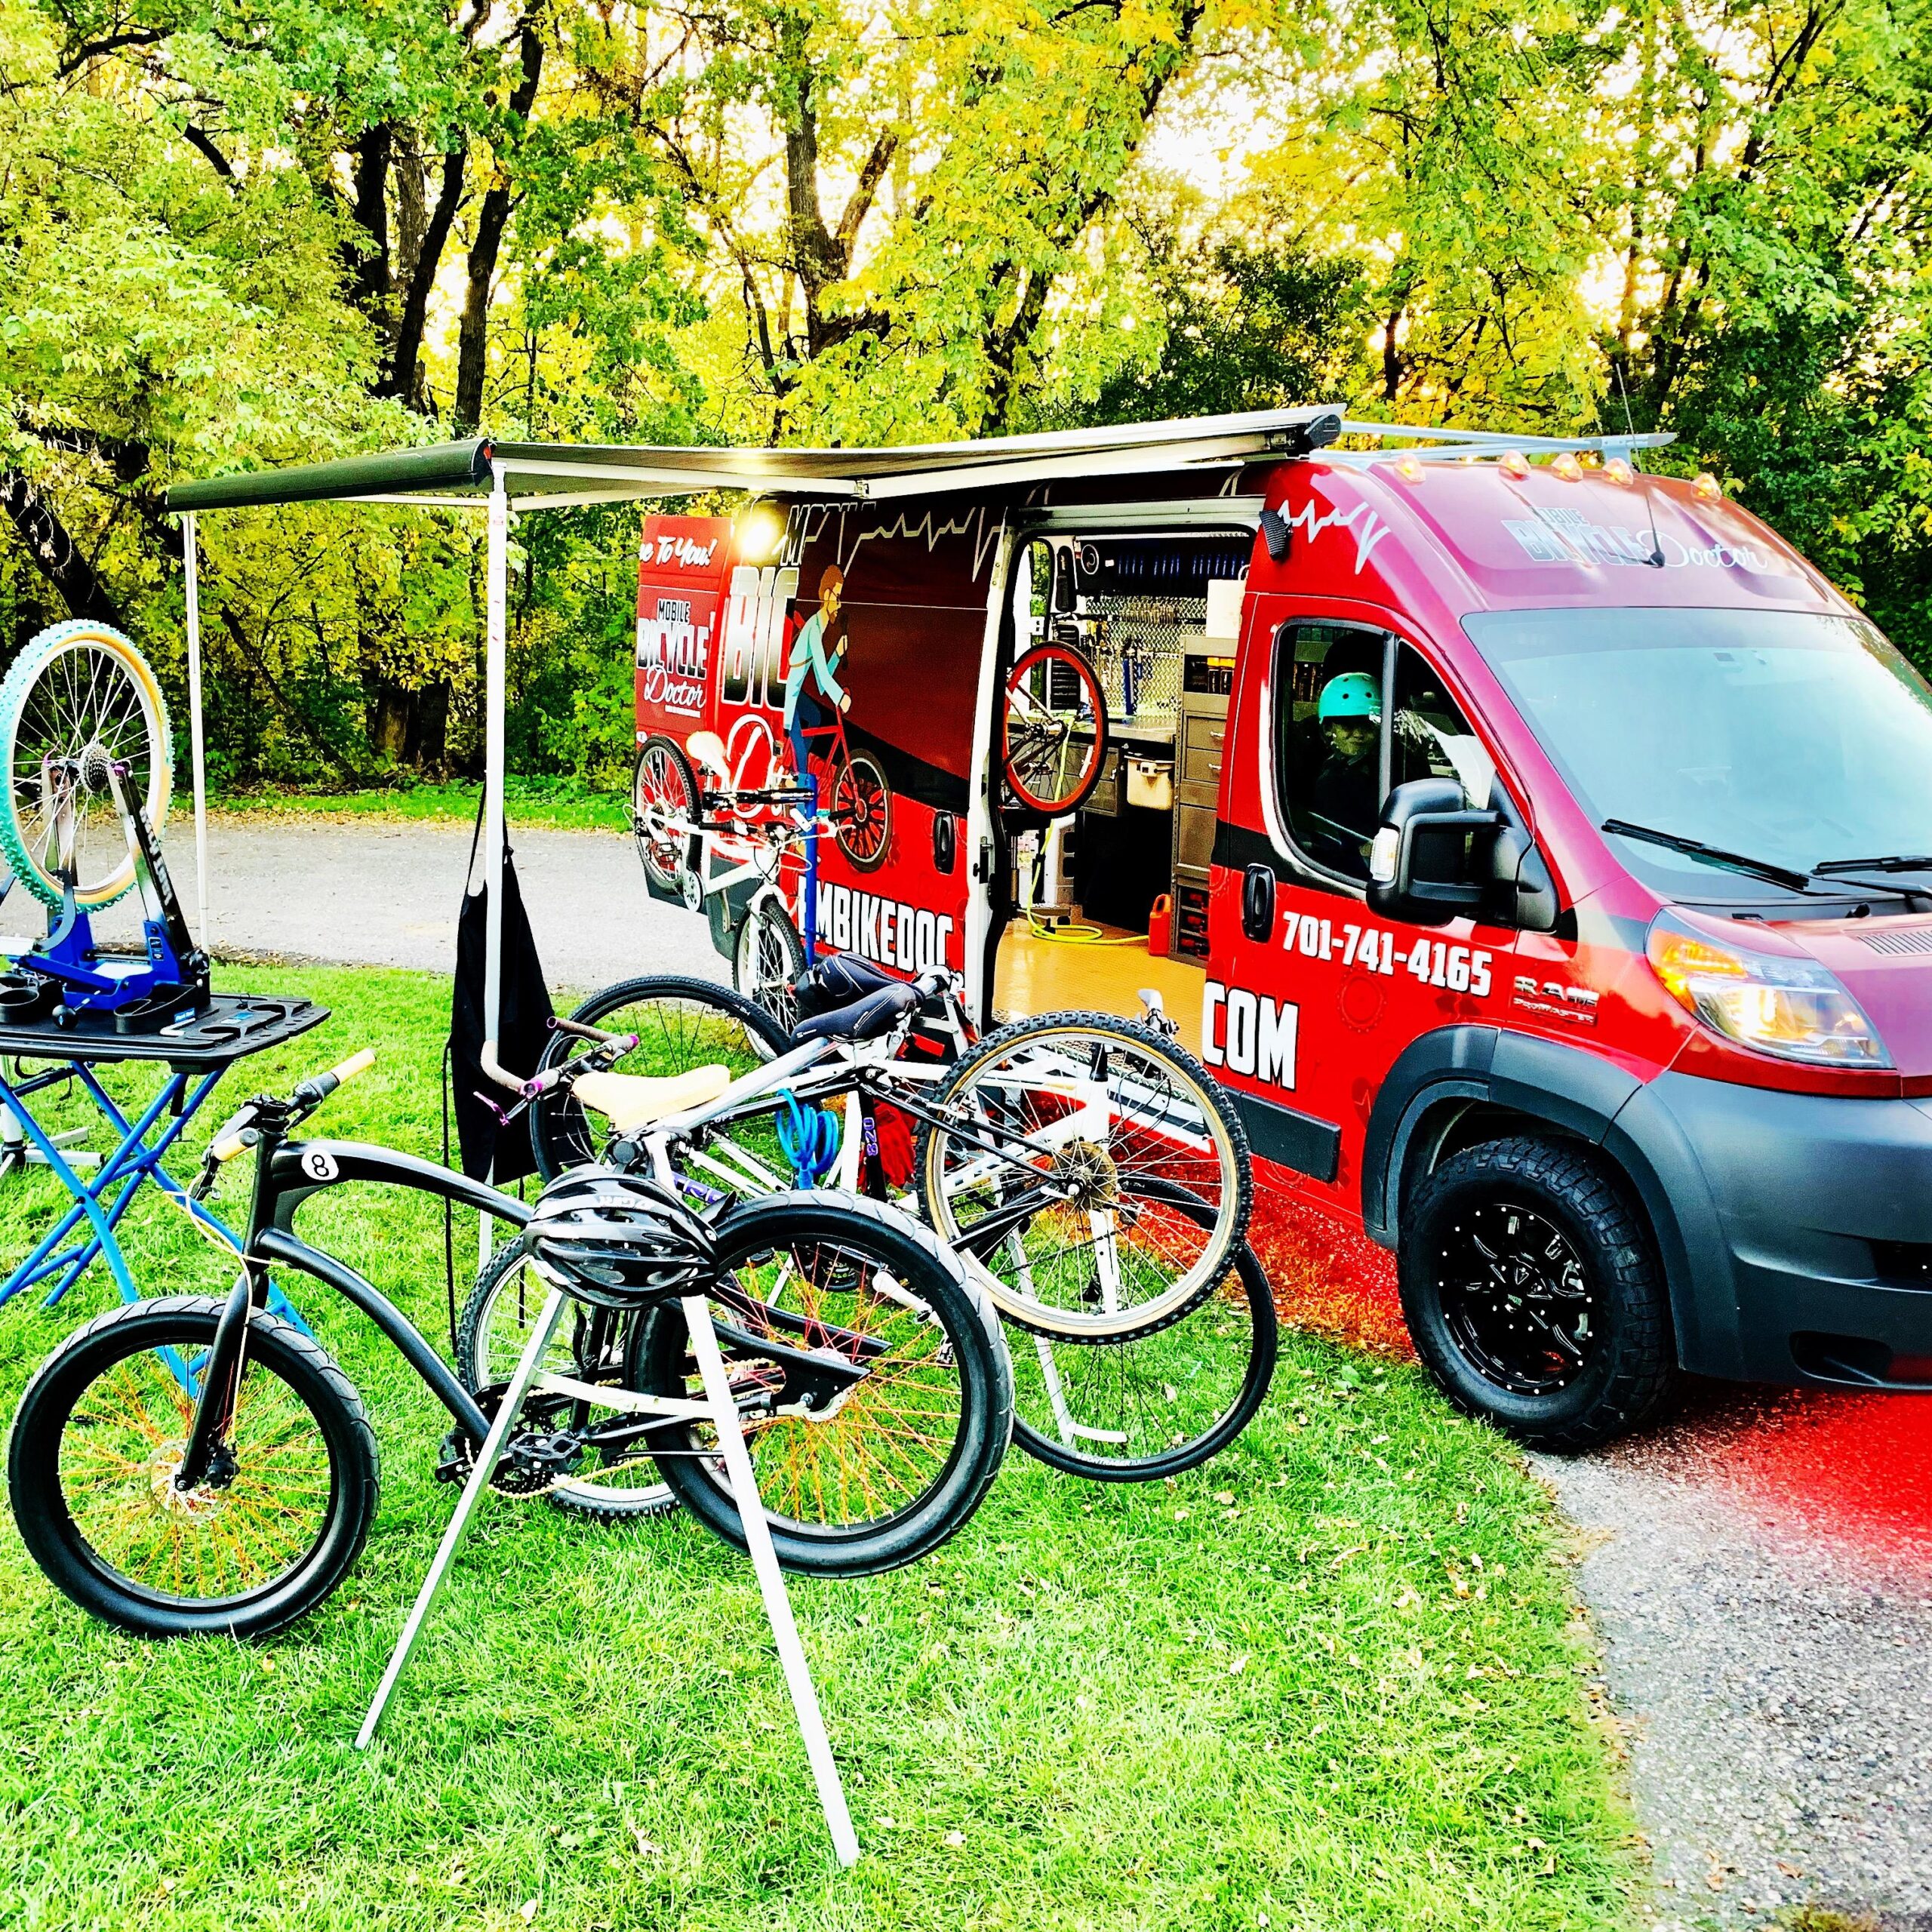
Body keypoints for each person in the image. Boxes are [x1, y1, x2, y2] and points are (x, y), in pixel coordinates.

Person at [1309, 669, 1382, 872]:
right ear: (1329, 728)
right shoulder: (1330, 781)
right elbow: (1359, 850)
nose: (1358, 733)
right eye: (1348, 724)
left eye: (1367, 725)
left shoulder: (1386, 768)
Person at [783, 565, 850, 779]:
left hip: (793, 692)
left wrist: (837, 655)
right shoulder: (813, 626)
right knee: (802, 753)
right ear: (828, 595)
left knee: (815, 716)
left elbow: (822, 683)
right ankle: (799, 791)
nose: (839, 604)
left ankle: (795, 763)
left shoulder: (819, 627)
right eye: (837, 597)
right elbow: (821, 674)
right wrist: (840, 697)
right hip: (786, 696)